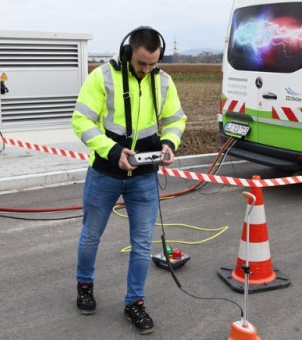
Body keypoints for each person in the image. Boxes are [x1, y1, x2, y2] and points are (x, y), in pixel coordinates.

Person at [70, 26, 186, 335]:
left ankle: (134, 303)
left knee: (142, 243)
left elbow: (176, 120)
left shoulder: (162, 81)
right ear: (126, 53)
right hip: (104, 173)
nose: (147, 70)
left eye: (152, 64)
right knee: (91, 235)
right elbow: (81, 120)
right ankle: (85, 286)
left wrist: (169, 145)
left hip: (144, 177)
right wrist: (112, 150)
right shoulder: (102, 77)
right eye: (141, 64)